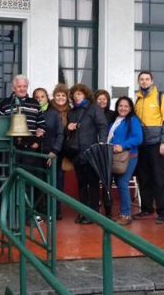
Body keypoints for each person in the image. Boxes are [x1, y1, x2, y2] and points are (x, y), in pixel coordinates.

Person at [134, 71, 164, 225]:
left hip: (157, 144)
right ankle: (146, 208)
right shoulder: (137, 100)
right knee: (143, 178)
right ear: (139, 82)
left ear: (152, 81)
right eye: (141, 79)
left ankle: (163, 211)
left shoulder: (161, 98)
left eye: (147, 79)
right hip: (141, 145)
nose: (144, 82)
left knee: (159, 178)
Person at [66, 83, 108, 224]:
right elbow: (68, 133)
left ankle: (93, 214)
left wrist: (101, 143)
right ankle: (83, 212)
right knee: (82, 184)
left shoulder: (94, 108)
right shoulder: (71, 112)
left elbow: (102, 126)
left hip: (91, 152)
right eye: (74, 94)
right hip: (77, 153)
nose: (76, 96)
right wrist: (68, 128)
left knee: (93, 184)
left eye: (79, 94)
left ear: (85, 94)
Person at [108, 96, 143, 226]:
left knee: (122, 182)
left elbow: (138, 138)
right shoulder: (115, 120)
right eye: (120, 106)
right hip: (116, 157)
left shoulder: (133, 120)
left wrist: (122, 145)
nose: (123, 108)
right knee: (119, 183)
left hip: (129, 156)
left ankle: (126, 215)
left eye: (126, 106)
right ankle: (123, 213)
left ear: (130, 108)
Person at [37, 87, 64, 220]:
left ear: (47, 98)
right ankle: (40, 211)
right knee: (39, 183)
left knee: (54, 182)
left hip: (51, 154)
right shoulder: (32, 113)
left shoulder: (53, 113)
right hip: (36, 154)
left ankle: (55, 211)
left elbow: (60, 133)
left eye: (42, 96)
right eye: (37, 97)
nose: (40, 99)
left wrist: (55, 150)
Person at [0, 75, 46, 149]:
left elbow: (41, 123)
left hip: (31, 146)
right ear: (13, 88)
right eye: (19, 86)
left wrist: (37, 141)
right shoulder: (5, 103)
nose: (22, 89)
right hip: (10, 146)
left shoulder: (34, 103)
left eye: (24, 86)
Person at [48, 84, 71, 219]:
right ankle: (49, 209)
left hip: (65, 151)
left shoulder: (71, 111)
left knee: (59, 180)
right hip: (52, 149)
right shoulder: (50, 110)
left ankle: (57, 210)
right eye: (58, 95)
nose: (60, 98)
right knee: (51, 180)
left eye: (63, 95)